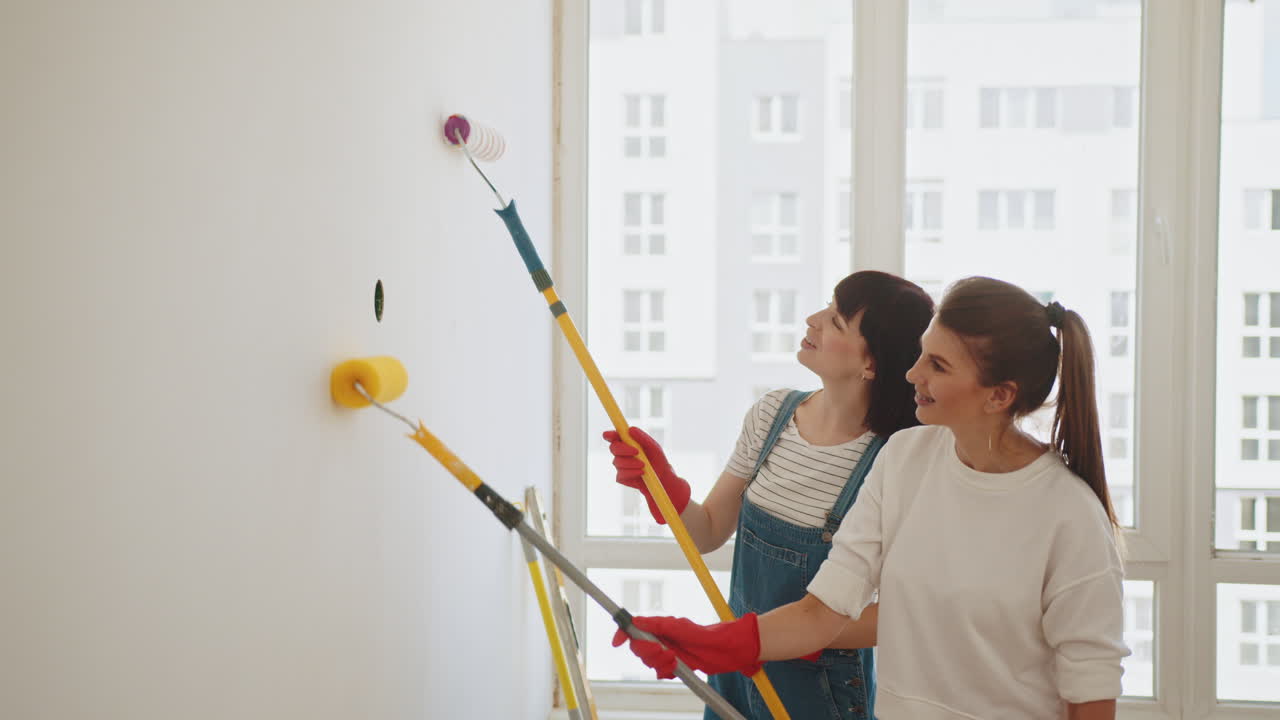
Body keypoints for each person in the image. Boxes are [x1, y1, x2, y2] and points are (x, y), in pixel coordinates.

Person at [613, 276, 1130, 720]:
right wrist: (709, 644)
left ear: (1000, 395)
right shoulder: (904, 458)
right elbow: (824, 610)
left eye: (938, 366)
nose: (912, 374)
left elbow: (1089, 687)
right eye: (921, 354)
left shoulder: (1069, 515)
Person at [603, 270, 935, 720]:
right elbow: (706, 533)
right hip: (734, 671)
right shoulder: (772, 416)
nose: (813, 319)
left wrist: (772, 636)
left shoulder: (894, 459)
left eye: (836, 320)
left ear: (870, 363)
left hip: (818, 686)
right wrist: (662, 487)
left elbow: (894, 617)